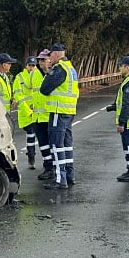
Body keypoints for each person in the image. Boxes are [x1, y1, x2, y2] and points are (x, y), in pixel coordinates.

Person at [40, 43, 79, 189]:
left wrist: (48, 72)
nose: (49, 58)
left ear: (56, 54)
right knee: (67, 145)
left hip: (58, 111)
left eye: (50, 55)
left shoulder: (59, 69)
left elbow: (44, 89)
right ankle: (69, 176)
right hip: (69, 112)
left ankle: (59, 179)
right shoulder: (71, 68)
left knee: (56, 145)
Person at [31, 49, 54, 180]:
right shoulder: (35, 74)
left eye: (43, 60)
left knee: (53, 144)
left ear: (50, 60)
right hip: (37, 116)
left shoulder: (53, 74)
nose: (40, 62)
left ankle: (53, 167)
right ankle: (48, 167)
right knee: (43, 144)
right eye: (39, 60)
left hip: (49, 115)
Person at [13, 56, 37, 169]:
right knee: (31, 135)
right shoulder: (19, 78)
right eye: (30, 65)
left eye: (34, 65)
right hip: (26, 113)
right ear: (26, 65)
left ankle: (36, 158)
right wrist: (28, 111)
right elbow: (18, 97)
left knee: (40, 137)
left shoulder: (38, 76)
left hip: (37, 112)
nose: (32, 67)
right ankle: (31, 157)